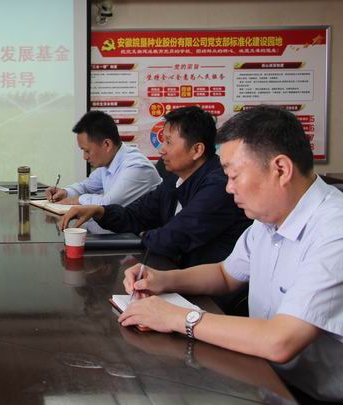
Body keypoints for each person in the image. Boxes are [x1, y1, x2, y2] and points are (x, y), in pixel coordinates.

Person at [118, 105, 343, 402]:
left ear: (281, 169)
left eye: (234, 175)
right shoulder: (269, 217)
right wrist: (162, 279)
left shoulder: (334, 230)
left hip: (312, 395)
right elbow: (226, 274)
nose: (228, 188)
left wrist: (176, 317)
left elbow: (280, 340)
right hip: (267, 377)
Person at [60, 106, 250, 268]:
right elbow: (135, 216)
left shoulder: (220, 185)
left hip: (211, 291)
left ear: (197, 150)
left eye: (168, 142)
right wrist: (100, 212)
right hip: (175, 275)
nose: (161, 149)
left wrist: (144, 234)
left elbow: (174, 237)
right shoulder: (173, 179)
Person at [45, 110, 161, 234]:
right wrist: (66, 192)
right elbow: (86, 186)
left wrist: (77, 200)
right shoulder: (108, 162)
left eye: (87, 151)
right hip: (108, 235)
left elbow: (107, 205)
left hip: (132, 241)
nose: (84, 157)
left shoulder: (137, 167)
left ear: (107, 144)